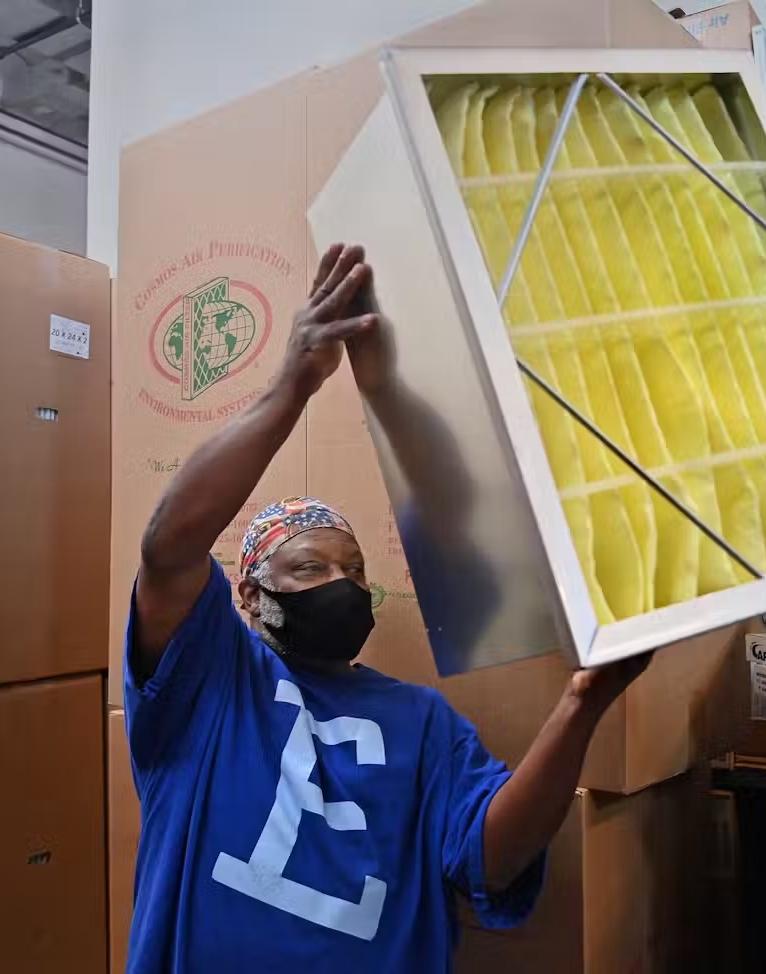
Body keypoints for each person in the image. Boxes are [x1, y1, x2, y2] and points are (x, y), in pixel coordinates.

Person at [123, 244, 648, 972]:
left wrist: (583, 704)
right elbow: (168, 549)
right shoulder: (210, 683)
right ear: (249, 595)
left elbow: (491, 860)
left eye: (355, 570)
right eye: (310, 567)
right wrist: (293, 386)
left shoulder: (423, 723)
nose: (342, 582)